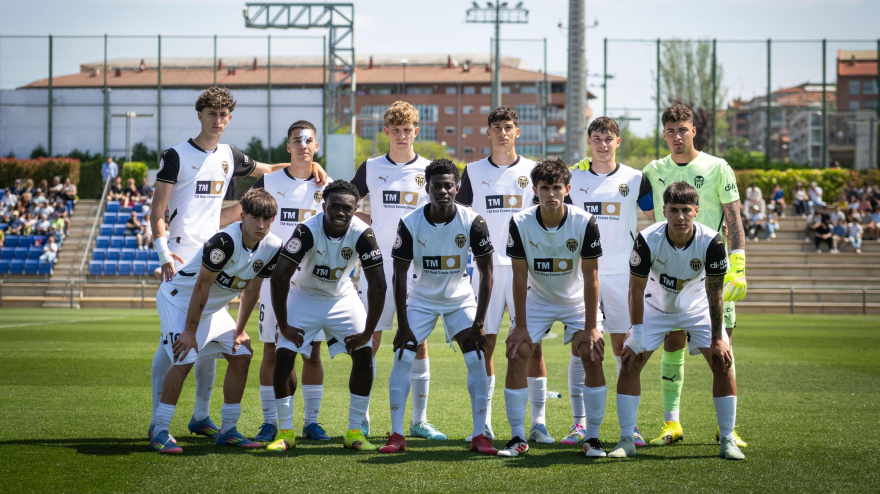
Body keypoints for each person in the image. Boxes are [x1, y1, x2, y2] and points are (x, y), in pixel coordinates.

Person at [147, 86, 327, 444]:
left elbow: (276, 169)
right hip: (185, 259)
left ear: (230, 118)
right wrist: (164, 254)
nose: (218, 121)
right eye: (212, 113)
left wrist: (311, 166)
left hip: (222, 252)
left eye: (224, 115)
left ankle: (203, 418)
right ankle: (158, 424)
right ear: (200, 115)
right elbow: (157, 211)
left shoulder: (229, 156)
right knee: (177, 350)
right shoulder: (176, 156)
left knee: (219, 349)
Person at [608, 181, 744, 461]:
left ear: (696, 210)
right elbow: (635, 289)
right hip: (656, 307)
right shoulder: (647, 239)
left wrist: (719, 338)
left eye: (685, 210)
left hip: (696, 308)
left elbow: (715, 292)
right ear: (664, 210)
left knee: (723, 360)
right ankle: (626, 439)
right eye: (673, 210)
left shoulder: (713, 241)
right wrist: (637, 332)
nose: (680, 217)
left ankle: (728, 438)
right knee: (629, 361)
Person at [639, 104, 748, 448]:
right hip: (668, 271)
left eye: (682, 129)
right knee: (672, 344)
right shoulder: (653, 170)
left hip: (712, 271)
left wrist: (739, 265)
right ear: (664, 133)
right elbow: (622, 191)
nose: (676, 136)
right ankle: (672, 423)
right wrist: (584, 170)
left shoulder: (718, 167)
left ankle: (725, 429)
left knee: (722, 348)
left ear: (694, 130)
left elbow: (733, 219)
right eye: (670, 130)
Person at [148, 188, 282, 454]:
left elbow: (253, 290)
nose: (262, 225)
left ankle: (229, 430)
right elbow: (202, 286)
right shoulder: (223, 242)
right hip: (178, 301)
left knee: (242, 353)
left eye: (268, 219)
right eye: (255, 218)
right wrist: (189, 332)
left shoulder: (272, 246)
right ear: (242, 216)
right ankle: (160, 430)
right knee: (185, 356)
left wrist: (240, 330)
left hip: (211, 307)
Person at [379, 159, 497, 455]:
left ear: (457, 187)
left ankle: (479, 434)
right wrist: (403, 324)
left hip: (459, 298)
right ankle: (396, 434)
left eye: (448, 186)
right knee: (403, 357)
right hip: (421, 299)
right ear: (427, 188)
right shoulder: (410, 222)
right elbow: (399, 274)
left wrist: (479, 322)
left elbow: (487, 272)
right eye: (436, 186)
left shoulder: (473, 221)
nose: (443, 191)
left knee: (476, 359)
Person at [266, 180, 386, 453]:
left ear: (356, 209)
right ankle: (286, 433)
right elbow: (279, 277)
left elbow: (379, 285)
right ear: (324, 206)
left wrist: (367, 332)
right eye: (335, 206)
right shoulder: (307, 230)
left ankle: (354, 432)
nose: (341, 212)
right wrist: (283, 324)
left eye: (348, 208)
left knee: (364, 354)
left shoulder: (363, 234)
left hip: (341, 297)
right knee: (284, 355)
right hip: (304, 295)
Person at [498, 158, 605, 458]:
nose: (551, 194)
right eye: (544, 188)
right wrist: (519, 325)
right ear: (535, 190)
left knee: (591, 353)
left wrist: (591, 326)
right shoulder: (520, 222)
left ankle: (592, 438)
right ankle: (518, 437)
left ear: (568, 189)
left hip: (575, 300)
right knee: (517, 352)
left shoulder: (585, 222)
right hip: (537, 300)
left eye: (557, 187)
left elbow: (591, 277)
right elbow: (519, 277)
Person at [455, 106, 548, 443]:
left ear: (517, 132)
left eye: (508, 127)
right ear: (489, 132)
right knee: (485, 344)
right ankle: (484, 423)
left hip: (525, 269)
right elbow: (461, 217)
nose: (503, 133)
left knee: (533, 345)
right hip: (487, 268)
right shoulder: (473, 170)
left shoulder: (532, 171)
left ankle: (538, 423)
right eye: (497, 127)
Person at [350, 101, 442, 439]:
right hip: (378, 265)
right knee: (368, 338)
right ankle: (361, 418)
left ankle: (419, 421)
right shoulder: (371, 168)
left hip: (417, 267)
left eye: (408, 130)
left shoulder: (431, 170)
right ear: (386, 132)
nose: (402, 136)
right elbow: (344, 205)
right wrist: (368, 228)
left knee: (417, 340)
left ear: (416, 131)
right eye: (396, 130)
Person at [241, 120, 332, 443]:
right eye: (297, 140)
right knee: (271, 351)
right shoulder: (268, 182)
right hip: (273, 278)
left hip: (312, 282)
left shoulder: (327, 186)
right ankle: (269, 422)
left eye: (309, 141)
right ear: (288, 146)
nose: (303, 145)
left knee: (312, 353)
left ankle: (311, 422)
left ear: (316, 147)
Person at [566, 116, 654, 448]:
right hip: (581, 273)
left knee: (622, 348)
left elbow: (654, 221)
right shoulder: (573, 178)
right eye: (597, 138)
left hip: (621, 274)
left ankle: (627, 426)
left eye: (609, 139)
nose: (602, 144)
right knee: (581, 347)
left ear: (618, 142)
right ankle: (578, 424)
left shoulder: (635, 178)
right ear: (588, 141)